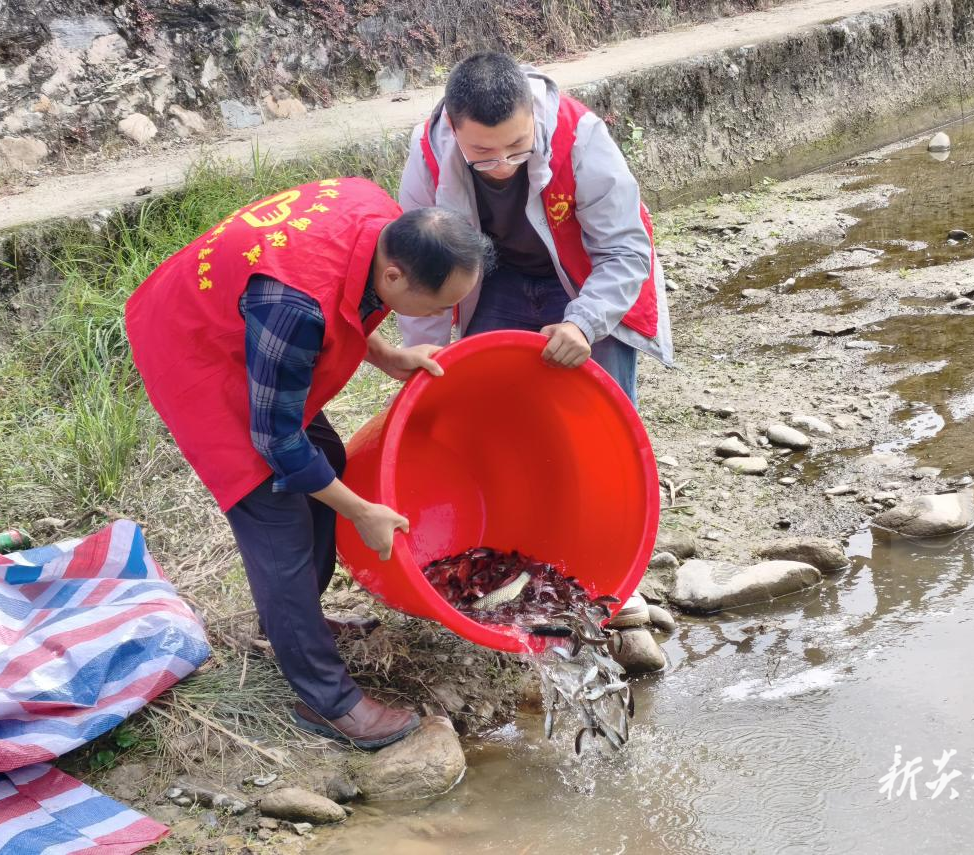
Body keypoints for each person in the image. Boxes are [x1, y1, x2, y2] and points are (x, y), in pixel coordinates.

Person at [125, 178, 491, 749]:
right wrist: (364, 511)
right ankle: (328, 701)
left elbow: (348, 296)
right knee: (278, 518)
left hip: (254, 320)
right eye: (441, 305)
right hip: (197, 345)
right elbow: (276, 440)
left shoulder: (380, 218)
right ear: (397, 275)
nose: (445, 315)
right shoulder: (292, 305)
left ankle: (298, 621)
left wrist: (388, 353)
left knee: (331, 459)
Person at [397, 51, 674, 404]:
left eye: (517, 147)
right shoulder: (428, 154)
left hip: (585, 277)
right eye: (483, 152)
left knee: (601, 404)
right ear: (453, 128)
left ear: (532, 114)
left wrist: (583, 324)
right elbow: (422, 271)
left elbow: (624, 251)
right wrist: (426, 362)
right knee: (484, 397)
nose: (502, 166)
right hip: (499, 279)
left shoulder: (579, 136)